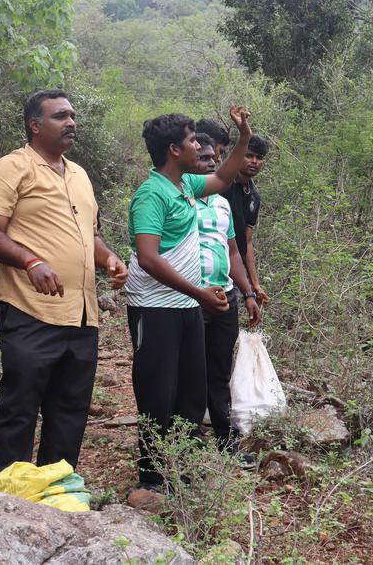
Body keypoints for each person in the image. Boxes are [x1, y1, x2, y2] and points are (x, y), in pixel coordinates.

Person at [0, 88, 128, 475]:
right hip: (30, 310)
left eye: (72, 115)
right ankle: (8, 497)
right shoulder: (13, 167)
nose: (71, 122)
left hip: (82, 316)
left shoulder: (79, 174)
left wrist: (109, 258)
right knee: (20, 407)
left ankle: (55, 497)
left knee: (70, 412)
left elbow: (89, 235)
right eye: (61, 116)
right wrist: (30, 262)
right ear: (35, 125)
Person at [122, 107, 252, 490]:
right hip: (155, 307)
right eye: (192, 139)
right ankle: (152, 476)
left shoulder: (185, 186)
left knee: (191, 390)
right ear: (174, 150)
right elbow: (147, 257)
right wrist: (199, 293)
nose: (199, 145)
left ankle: (184, 466)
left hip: (186, 306)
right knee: (157, 391)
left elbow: (224, 176)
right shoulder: (151, 194)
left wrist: (244, 136)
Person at [191, 133, 261, 456]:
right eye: (203, 158)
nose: (211, 163)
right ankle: (188, 442)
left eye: (213, 159)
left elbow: (233, 251)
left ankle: (225, 440)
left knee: (220, 370)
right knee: (191, 369)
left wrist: (248, 292)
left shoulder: (221, 203)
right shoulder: (181, 199)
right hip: (190, 298)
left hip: (225, 298)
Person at [195, 119, 271, 306]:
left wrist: (254, 285)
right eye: (249, 155)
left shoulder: (254, 197)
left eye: (259, 158)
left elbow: (246, 241)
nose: (254, 161)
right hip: (203, 274)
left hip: (231, 274)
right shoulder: (217, 185)